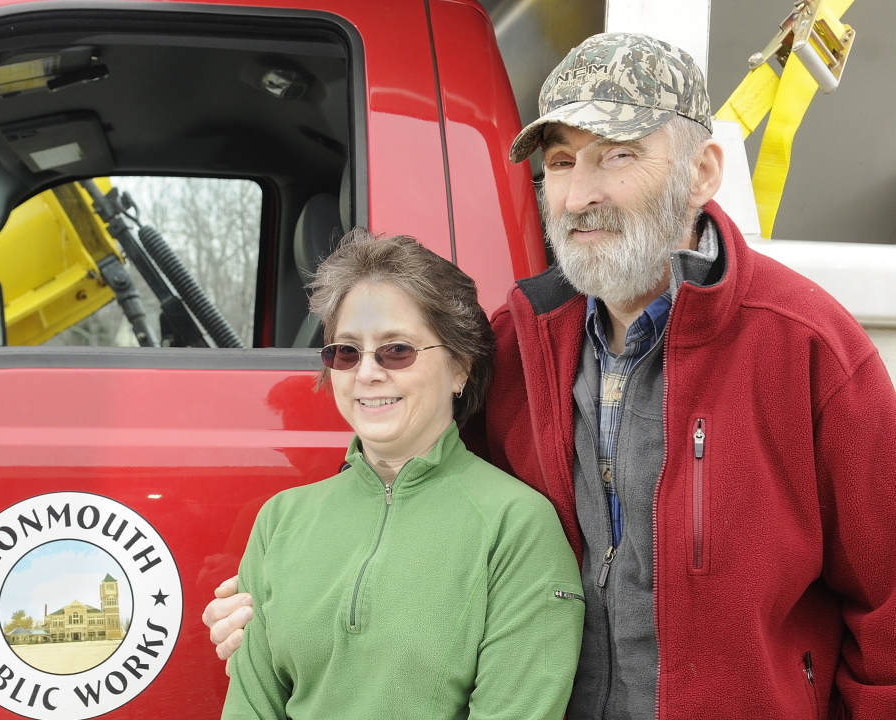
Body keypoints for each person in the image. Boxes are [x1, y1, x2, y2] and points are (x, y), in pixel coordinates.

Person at [206, 33, 896, 719]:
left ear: (702, 172)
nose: (575, 196)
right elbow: (414, 510)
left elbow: (886, 603)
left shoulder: (807, 347)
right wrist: (278, 603)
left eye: (615, 156)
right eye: (560, 162)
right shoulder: (512, 345)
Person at [219, 229, 584, 720]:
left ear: (459, 367)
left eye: (396, 350)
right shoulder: (280, 521)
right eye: (346, 352)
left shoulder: (517, 527)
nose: (367, 373)